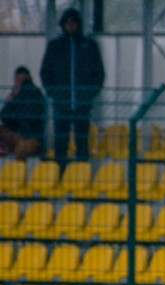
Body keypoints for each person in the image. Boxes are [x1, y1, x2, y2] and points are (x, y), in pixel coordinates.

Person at [39, 7, 105, 168]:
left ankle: (82, 173)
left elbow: (99, 73)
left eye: (74, 22)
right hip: (61, 104)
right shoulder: (55, 46)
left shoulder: (89, 45)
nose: (71, 26)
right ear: (63, 24)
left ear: (78, 24)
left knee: (82, 140)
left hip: (82, 104)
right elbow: (45, 72)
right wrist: (54, 94)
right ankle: (60, 174)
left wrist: (89, 95)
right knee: (61, 141)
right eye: (67, 23)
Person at [0, 66, 46, 161]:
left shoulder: (35, 94)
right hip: (17, 135)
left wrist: (15, 102)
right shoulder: (17, 94)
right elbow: (4, 116)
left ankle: (17, 172)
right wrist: (11, 100)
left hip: (31, 137)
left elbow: (29, 117)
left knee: (21, 147)